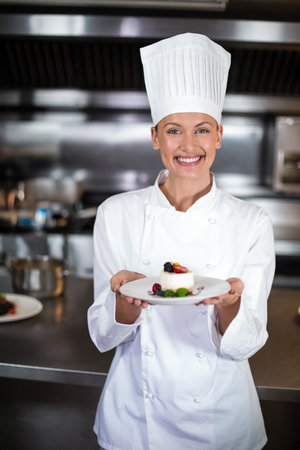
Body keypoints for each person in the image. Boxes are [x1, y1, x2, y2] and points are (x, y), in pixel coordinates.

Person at [88, 33, 275, 450]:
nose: (189, 146)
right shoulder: (116, 213)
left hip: (220, 425)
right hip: (136, 421)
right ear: (155, 137)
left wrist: (229, 307)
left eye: (202, 130)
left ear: (219, 136)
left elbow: (246, 344)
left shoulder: (252, 221)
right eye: (174, 130)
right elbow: (102, 338)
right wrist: (123, 301)